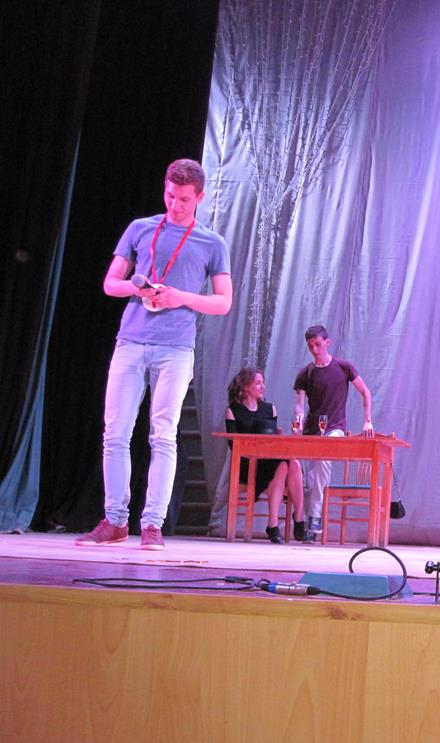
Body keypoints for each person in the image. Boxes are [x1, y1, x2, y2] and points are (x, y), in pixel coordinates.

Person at [76, 159, 232, 550]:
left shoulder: (211, 242)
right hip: (131, 340)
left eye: (183, 199)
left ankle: (152, 525)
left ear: (199, 197)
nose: (175, 205)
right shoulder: (140, 228)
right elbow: (110, 283)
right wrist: (138, 288)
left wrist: (181, 297)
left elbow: (223, 302)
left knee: (163, 435)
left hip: (176, 347)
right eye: (169, 195)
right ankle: (115, 520)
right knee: (115, 432)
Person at [293, 324, 374, 539]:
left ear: (327, 343)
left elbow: (365, 392)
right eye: (310, 346)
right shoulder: (305, 373)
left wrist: (367, 421)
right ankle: (309, 522)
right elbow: (300, 404)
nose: (314, 350)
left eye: (318, 344)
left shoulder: (343, 367)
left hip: (335, 428)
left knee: (323, 459)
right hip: (311, 430)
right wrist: (298, 420)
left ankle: (315, 516)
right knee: (309, 478)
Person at [225, 367, 306, 543]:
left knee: (292, 463)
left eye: (263, 382)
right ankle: (290, 523)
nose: (263, 387)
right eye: (258, 383)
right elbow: (233, 444)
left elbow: (273, 440)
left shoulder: (270, 409)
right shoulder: (233, 410)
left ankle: (285, 521)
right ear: (246, 386)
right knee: (285, 464)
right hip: (248, 464)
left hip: (270, 460)